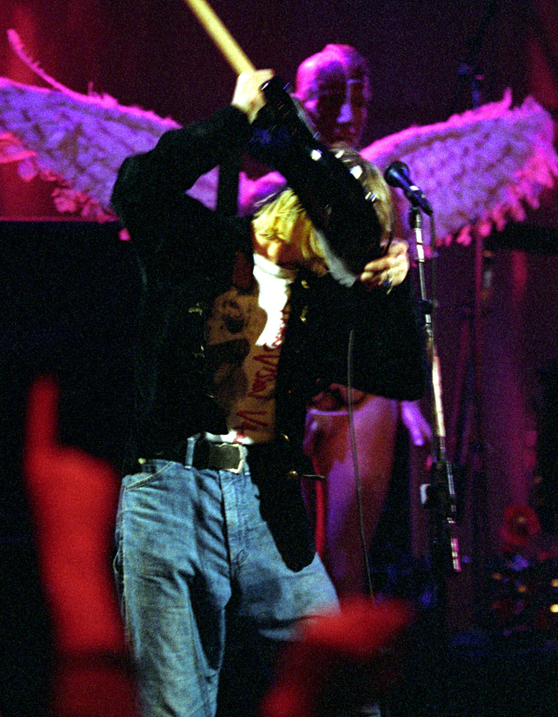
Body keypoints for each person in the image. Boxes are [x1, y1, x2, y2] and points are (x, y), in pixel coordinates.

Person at [108, 68, 427, 717]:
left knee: (347, 700)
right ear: (290, 202)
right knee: (174, 709)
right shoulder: (201, 244)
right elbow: (136, 188)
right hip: (171, 491)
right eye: (330, 212)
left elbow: (401, 375)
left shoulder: (321, 300)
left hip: (265, 499)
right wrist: (234, 122)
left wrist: (390, 289)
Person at [245, 44, 432, 598]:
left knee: (348, 569)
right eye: (331, 101)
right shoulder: (265, 194)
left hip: (360, 399)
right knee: (283, 571)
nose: (348, 117)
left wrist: (415, 389)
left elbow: (397, 303)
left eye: (360, 101)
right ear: (303, 104)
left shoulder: (382, 193)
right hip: (286, 394)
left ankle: (348, 684)